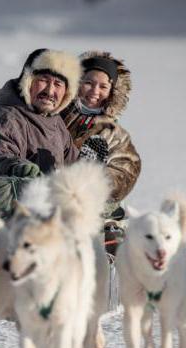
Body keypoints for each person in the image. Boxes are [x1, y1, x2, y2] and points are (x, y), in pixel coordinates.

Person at [60, 50, 141, 253]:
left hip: (93, 204)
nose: (95, 91)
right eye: (88, 82)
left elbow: (126, 171)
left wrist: (97, 179)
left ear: (113, 92)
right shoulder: (54, 118)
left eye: (103, 86)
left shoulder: (115, 133)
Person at [0, 48, 82, 179]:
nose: (50, 91)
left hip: (41, 195)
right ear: (27, 81)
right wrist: (17, 168)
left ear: (67, 93)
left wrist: (88, 167)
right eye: (44, 80)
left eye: (58, 84)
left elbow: (73, 166)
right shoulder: (8, 118)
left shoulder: (57, 124)